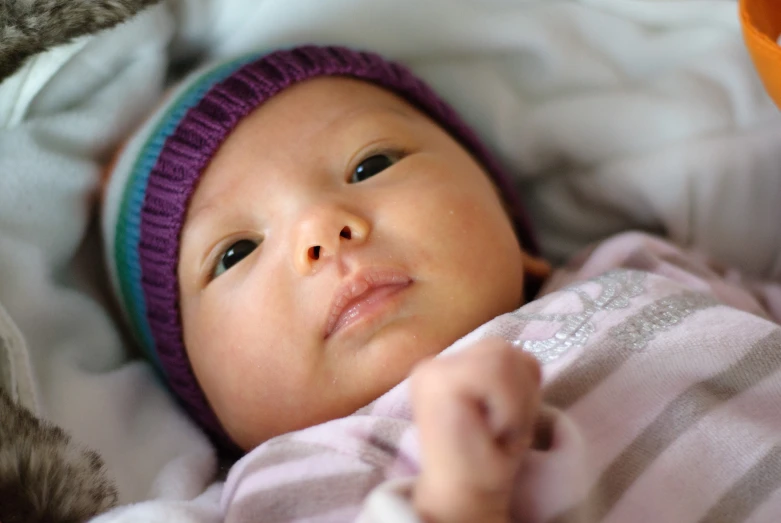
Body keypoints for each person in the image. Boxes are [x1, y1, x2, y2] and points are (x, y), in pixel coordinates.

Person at [102, 45, 781, 522]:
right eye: (235, 251)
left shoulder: (636, 267)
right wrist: (459, 502)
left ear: (510, 227)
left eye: (369, 165)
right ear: (210, 408)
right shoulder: (292, 476)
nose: (321, 227)